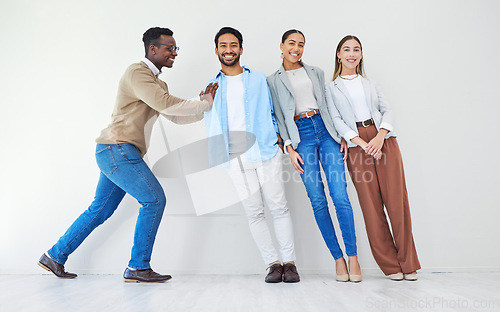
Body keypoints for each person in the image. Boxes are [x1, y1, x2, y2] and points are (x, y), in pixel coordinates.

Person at [38, 27, 218, 283]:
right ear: (153, 49)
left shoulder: (157, 83)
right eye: (170, 48)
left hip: (118, 151)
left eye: (176, 49)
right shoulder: (137, 73)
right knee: (154, 200)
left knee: (100, 210)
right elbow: (166, 103)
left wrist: (203, 107)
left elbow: (174, 115)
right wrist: (204, 104)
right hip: (117, 149)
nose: (174, 53)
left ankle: (54, 255)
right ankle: (138, 266)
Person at [204, 27, 300, 283]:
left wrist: (281, 141)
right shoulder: (210, 87)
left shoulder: (259, 79)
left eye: (233, 45)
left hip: (266, 151)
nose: (228, 50)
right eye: (223, 45)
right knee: (255, 212)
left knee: (279, 207)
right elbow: (208, 122)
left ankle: (290, 264)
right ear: (216, 51)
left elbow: (273, 111)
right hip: (235, 158)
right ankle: (273, 264)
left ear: (241, 49)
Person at [267, 30, 361, 282]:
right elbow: (275, 116)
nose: (296, 48)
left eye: (301, 44)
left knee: (340, 196)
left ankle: (353, 256)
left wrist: (340, 134)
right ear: (282, 46)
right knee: (318, 200)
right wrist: (288, 148)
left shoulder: (316, 72)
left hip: (325, 130)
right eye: (291, 44)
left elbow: (330, 105)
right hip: (301, 137)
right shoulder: (272, 80)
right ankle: (338, 259)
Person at [325, 35, 421, 281]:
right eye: (346, 49)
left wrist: (379, 138)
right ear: (338, 54)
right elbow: (335, 120)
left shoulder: (370, 83)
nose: (351, 54)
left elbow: (387, 109)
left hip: (383, 139)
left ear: (361, 54)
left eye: (356, 49)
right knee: (371, 207)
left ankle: (408, 263)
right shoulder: (331, 87)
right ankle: (391, 266)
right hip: (356, 145)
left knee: (397, 203)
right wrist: (360, 143)